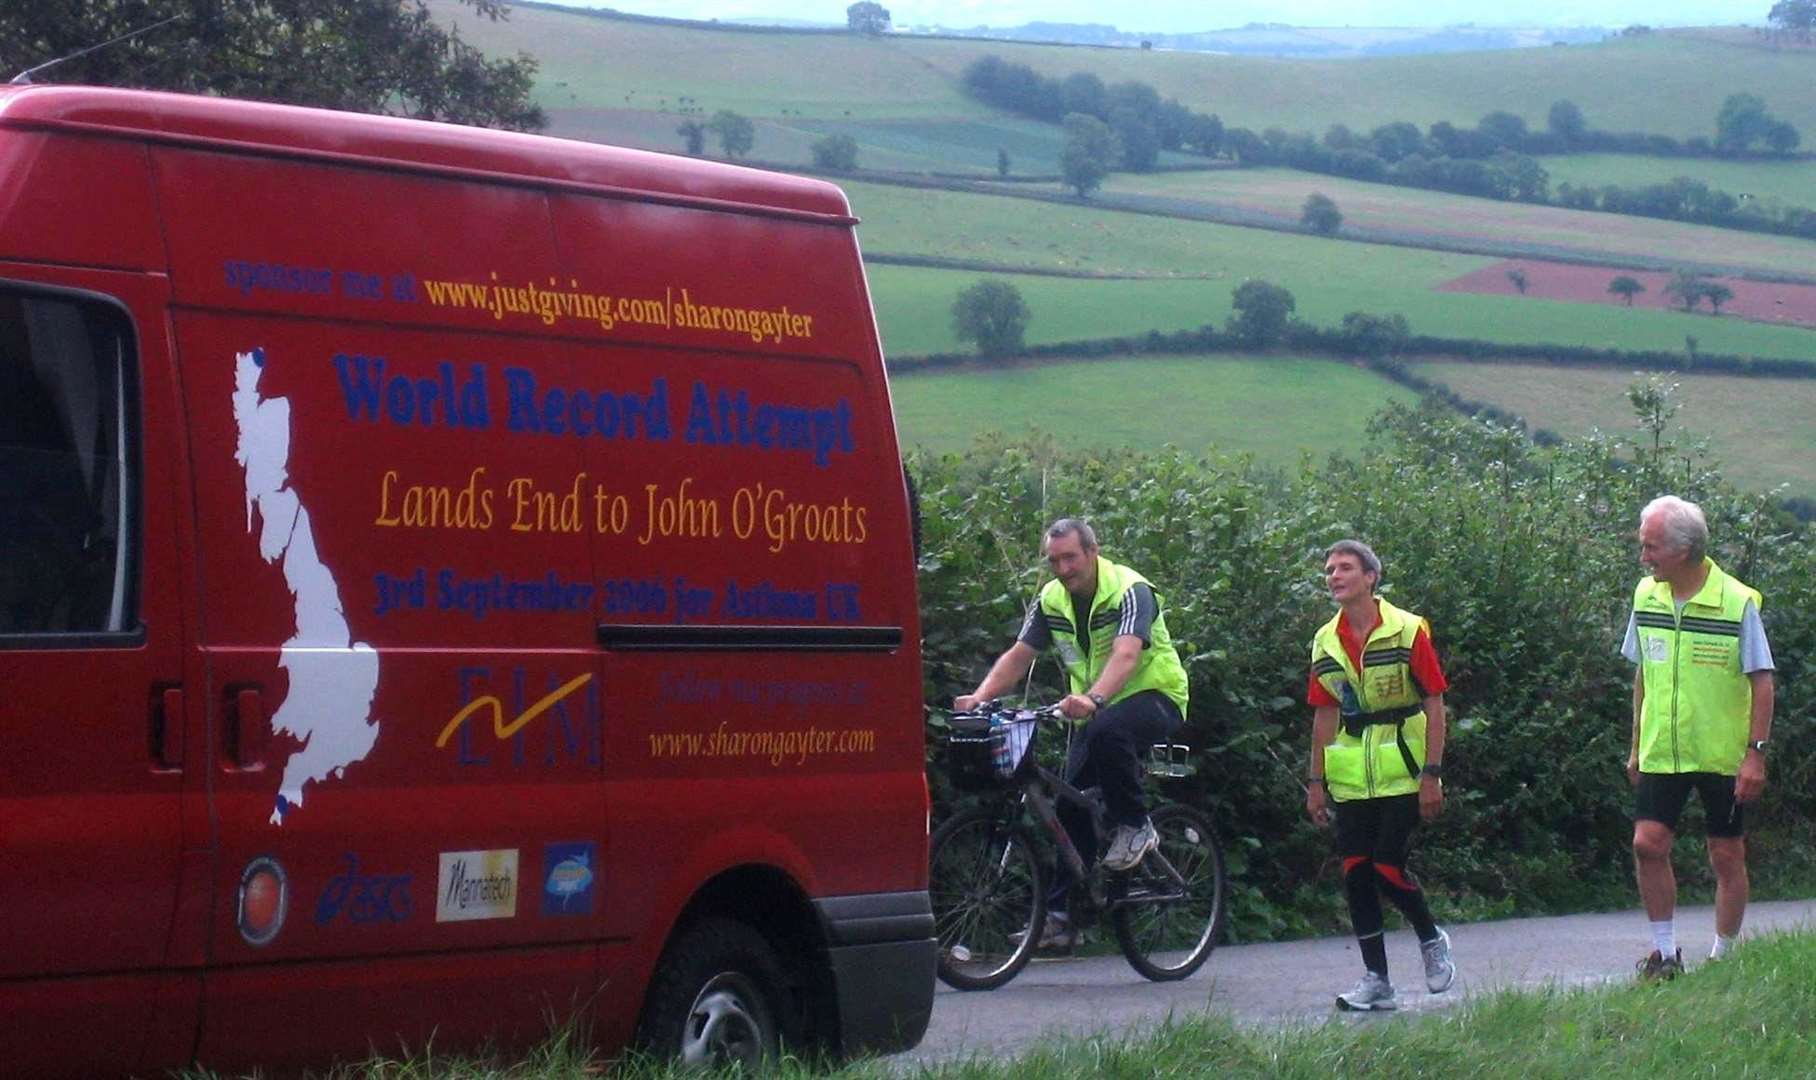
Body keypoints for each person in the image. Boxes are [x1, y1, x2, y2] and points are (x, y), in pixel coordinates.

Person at [955, 518, 1189, 948]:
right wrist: (979, 695)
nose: (1063, 568)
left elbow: (1126, 654)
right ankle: (1063, 917)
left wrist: (1095, 699)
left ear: (1093, 551)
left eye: (1071, 557)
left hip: (1156, 694)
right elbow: (1020, 654)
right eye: (1054, 560)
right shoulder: (1051, 599)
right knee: (1068, 806)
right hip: (1093, 712)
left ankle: (1137, 826)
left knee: (1107, 732)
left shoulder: (1129, 589)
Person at [1622, 495, 1774, 978]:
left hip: (1721, 753)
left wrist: (1755, 756)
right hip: (1662, 749)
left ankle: (1721, 960)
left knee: (1725, 853)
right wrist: (1634, 746)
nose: (1644, 557)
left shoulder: (1736, 601)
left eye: (1651, 547)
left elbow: (1762, 681)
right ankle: (1665, 956)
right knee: (1648, 843)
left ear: (1683, 550)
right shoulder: (1646, 595)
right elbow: (1642, 673)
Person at [1304, 539, 1456, 1011]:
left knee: (1387, 867)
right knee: (1355, 874)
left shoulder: (1408, 631)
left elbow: (1434, 702)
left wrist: (1432, 773)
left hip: (1404, 771)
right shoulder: (1325, 640)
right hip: (1353, 776)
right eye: (1329, 570)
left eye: (1344, 568)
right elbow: (1324, 713)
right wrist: (1315, 782)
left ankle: (1431, 940)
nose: (1334, 576)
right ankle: (1376, 980)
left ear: (1370, 577)